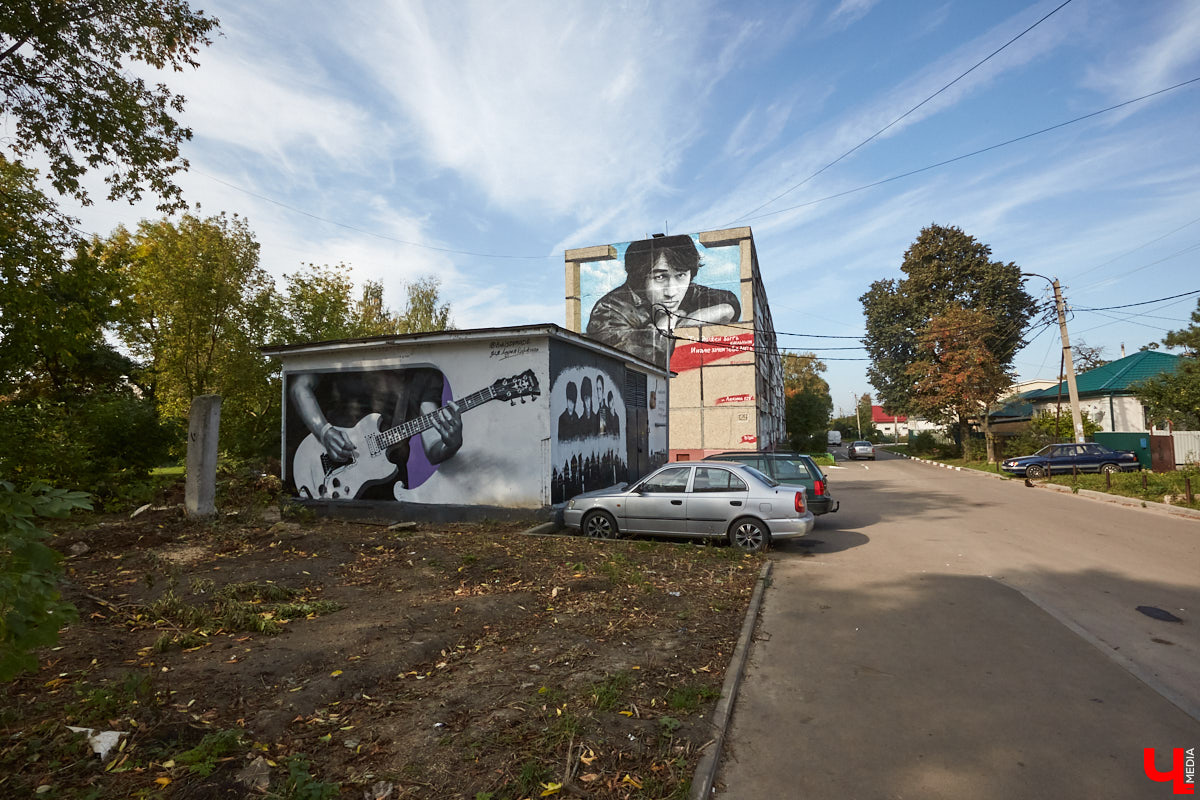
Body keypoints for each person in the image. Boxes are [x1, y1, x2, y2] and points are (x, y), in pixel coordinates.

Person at [288, 367, 462, 500]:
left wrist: (451, 444)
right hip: (330, 462)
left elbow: (433, 448)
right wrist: (324, 432)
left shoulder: (425, 373)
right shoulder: (355, 347)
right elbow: (299, 387)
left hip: (388, 486)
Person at [586, 234, 741, 367]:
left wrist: (686, 320)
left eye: (680, 275)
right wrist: (663, 327)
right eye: (660, 277)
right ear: (641, 277)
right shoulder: (608, 310)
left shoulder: (688, 291)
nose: (672, 292)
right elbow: (635, 364)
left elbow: (728, 301)